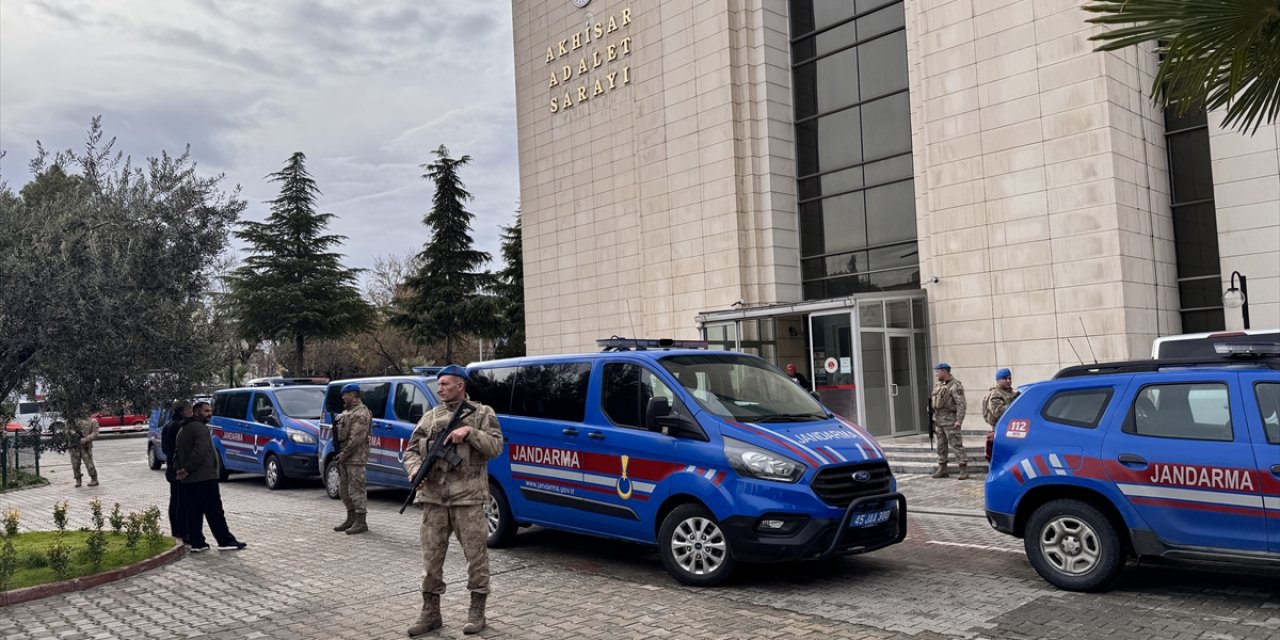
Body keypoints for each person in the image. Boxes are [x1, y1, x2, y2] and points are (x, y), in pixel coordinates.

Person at [403, 365, 502, 636]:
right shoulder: (430, 416)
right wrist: (414, 470)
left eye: (445, 384)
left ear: (460, 385)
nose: (440, 389)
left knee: (476, 557)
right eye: (439, 385)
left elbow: (495, 447)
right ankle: (430, 612)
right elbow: (411, 451)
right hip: (434, 498)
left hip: (467, 499)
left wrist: (469, 432)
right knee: (431, 558)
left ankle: (476, 610)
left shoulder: (482, 414)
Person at [174, 401, 246, 553]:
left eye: (210, 410)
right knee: (215, 511)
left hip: (189, 480)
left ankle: (197, 543)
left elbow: (176, 454)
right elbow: (198, 453)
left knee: (193, 513)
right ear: (197, 412)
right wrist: (187, 470)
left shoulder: (183, 429)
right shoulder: (200, 428)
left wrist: (179, 470)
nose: (210, 414)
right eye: (206, 411)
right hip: (204, 478)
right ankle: (225, 540)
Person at [332, 383, 372, 535]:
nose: (343, 397)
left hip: (355, 457)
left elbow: (356, 439)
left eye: (345, 395)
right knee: (344, 490)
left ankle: (361, 522)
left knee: (356, 489)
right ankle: (351, 518)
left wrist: (344, 454)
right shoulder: (347, 412)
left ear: (352, 395)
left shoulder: (361, 413)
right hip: (345, 457)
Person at [161, 400, 193, 541]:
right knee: (183, 501)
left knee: (174, 500)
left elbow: (163, 448)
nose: (191, 413)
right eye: (189, 410)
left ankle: (175, 530)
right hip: (180, 468)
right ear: (183, 411)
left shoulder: (167, 426)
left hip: (170, 467)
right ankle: (183, 532)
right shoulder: (182, 426)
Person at [930, 363, 968, 480]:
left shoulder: (955, 386)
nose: (936, 374)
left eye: (938, 371)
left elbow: (961, 404)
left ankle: (963, 469)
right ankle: (943, 468)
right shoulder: (938, 385)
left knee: (956, 444)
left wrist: (959, 420)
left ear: (944, 372)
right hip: (938, 420)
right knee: (941, 445)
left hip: (950, 420)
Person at [70, 416, 100, 487]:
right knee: (75, 464)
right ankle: (78, 480)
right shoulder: (73, 420)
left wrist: (86, 439)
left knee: (89, 464)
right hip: (75, 446)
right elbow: (67, 430)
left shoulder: (93, 421)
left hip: (86, 446)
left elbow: (95, 433)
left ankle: (94, 479)